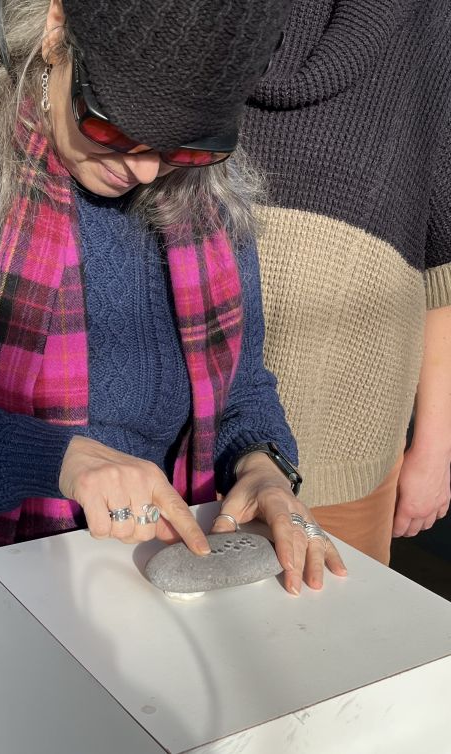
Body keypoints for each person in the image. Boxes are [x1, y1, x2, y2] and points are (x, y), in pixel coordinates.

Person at [0, 1, 346, 752]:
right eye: (111, 126)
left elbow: (244, 384)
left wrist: (263, 469)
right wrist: (57, 460)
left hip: (151, 624)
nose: (146, 168)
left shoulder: (204, 196)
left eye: (189, 148)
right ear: (56, 30)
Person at [241, 0, 451, 565]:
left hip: (347, 444)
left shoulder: (423, 19)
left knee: (328, 643)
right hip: (170, 428)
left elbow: (442, 259)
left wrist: (434, 449)